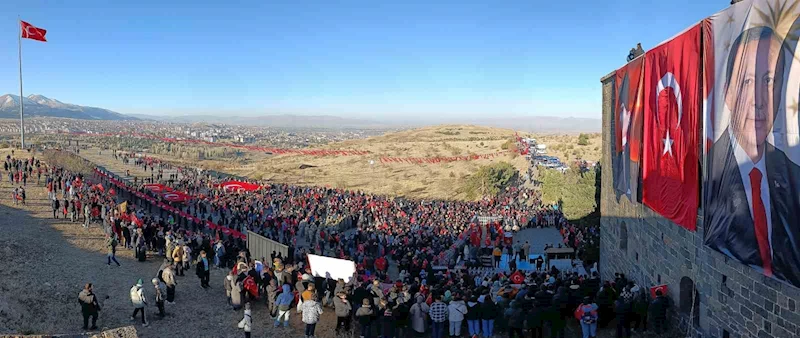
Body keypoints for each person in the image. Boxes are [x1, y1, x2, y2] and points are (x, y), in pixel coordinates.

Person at [704, 25, 800, 286]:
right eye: (746, 82)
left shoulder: (794, 176)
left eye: (768, 81)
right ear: (728, 94)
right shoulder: (707, 172)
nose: (758, 100)